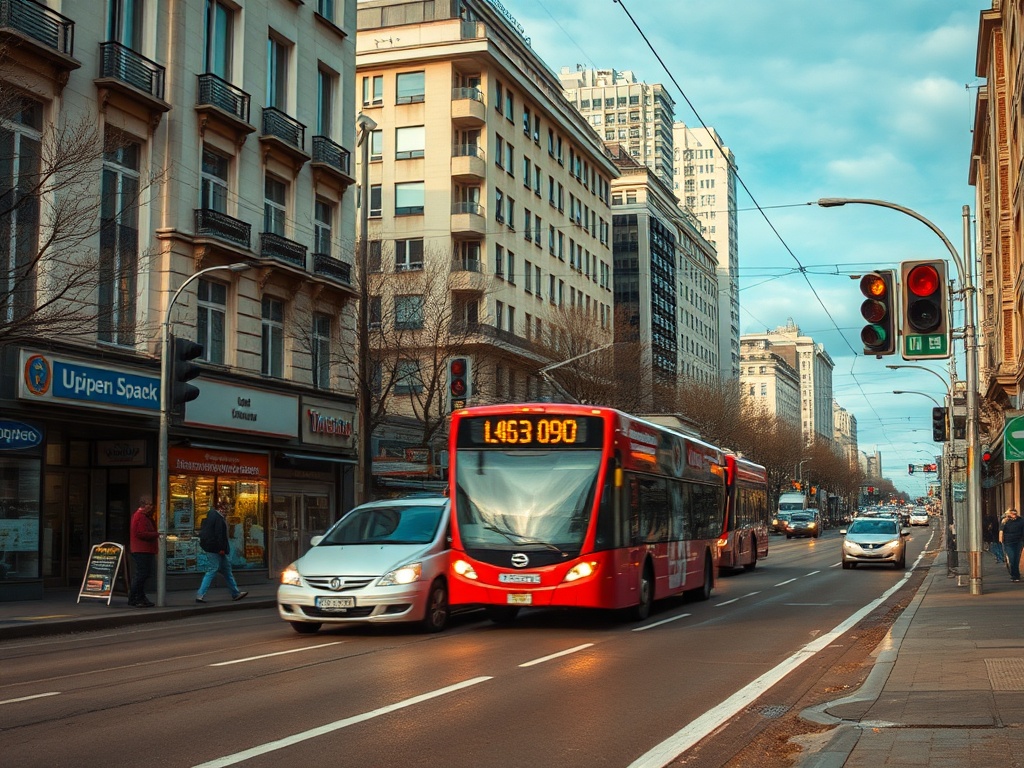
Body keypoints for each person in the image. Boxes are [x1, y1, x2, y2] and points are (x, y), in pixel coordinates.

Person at [196, 500, 248, 603]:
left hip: (212, 548)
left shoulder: (210, 516)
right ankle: (200, 594)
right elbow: (219, 535)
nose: (227, 510)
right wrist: (222, 549)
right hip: (217, 550)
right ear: (221, 508)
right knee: (213, 570)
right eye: (226, 508)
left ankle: (235, 593)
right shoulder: (218, 518)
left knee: (226, 571)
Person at [129, 496, 158, 607]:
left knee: (144, 574)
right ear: (143, 505)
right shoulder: (140, 517)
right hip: (142, 550)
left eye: (151, 505)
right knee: (142, 574)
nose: (151, 507)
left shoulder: (145, 517)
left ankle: (139, 597)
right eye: (149, 505)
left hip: (145, 549)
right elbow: (140, 533)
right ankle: (135, 597)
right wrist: (156, 534)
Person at [999, 507, 1024, 582]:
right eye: (1012, 513)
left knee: (1016, 559)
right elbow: (1001, 531)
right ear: (1009, 514)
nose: (1014, 515)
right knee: (1012, 559)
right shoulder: (1005, 521)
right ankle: (1014, 575)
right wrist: (1001, 540)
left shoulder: (1021, 520)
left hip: (1019, 542)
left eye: (1015, 513)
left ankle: (1016, 575)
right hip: (1008, 543)